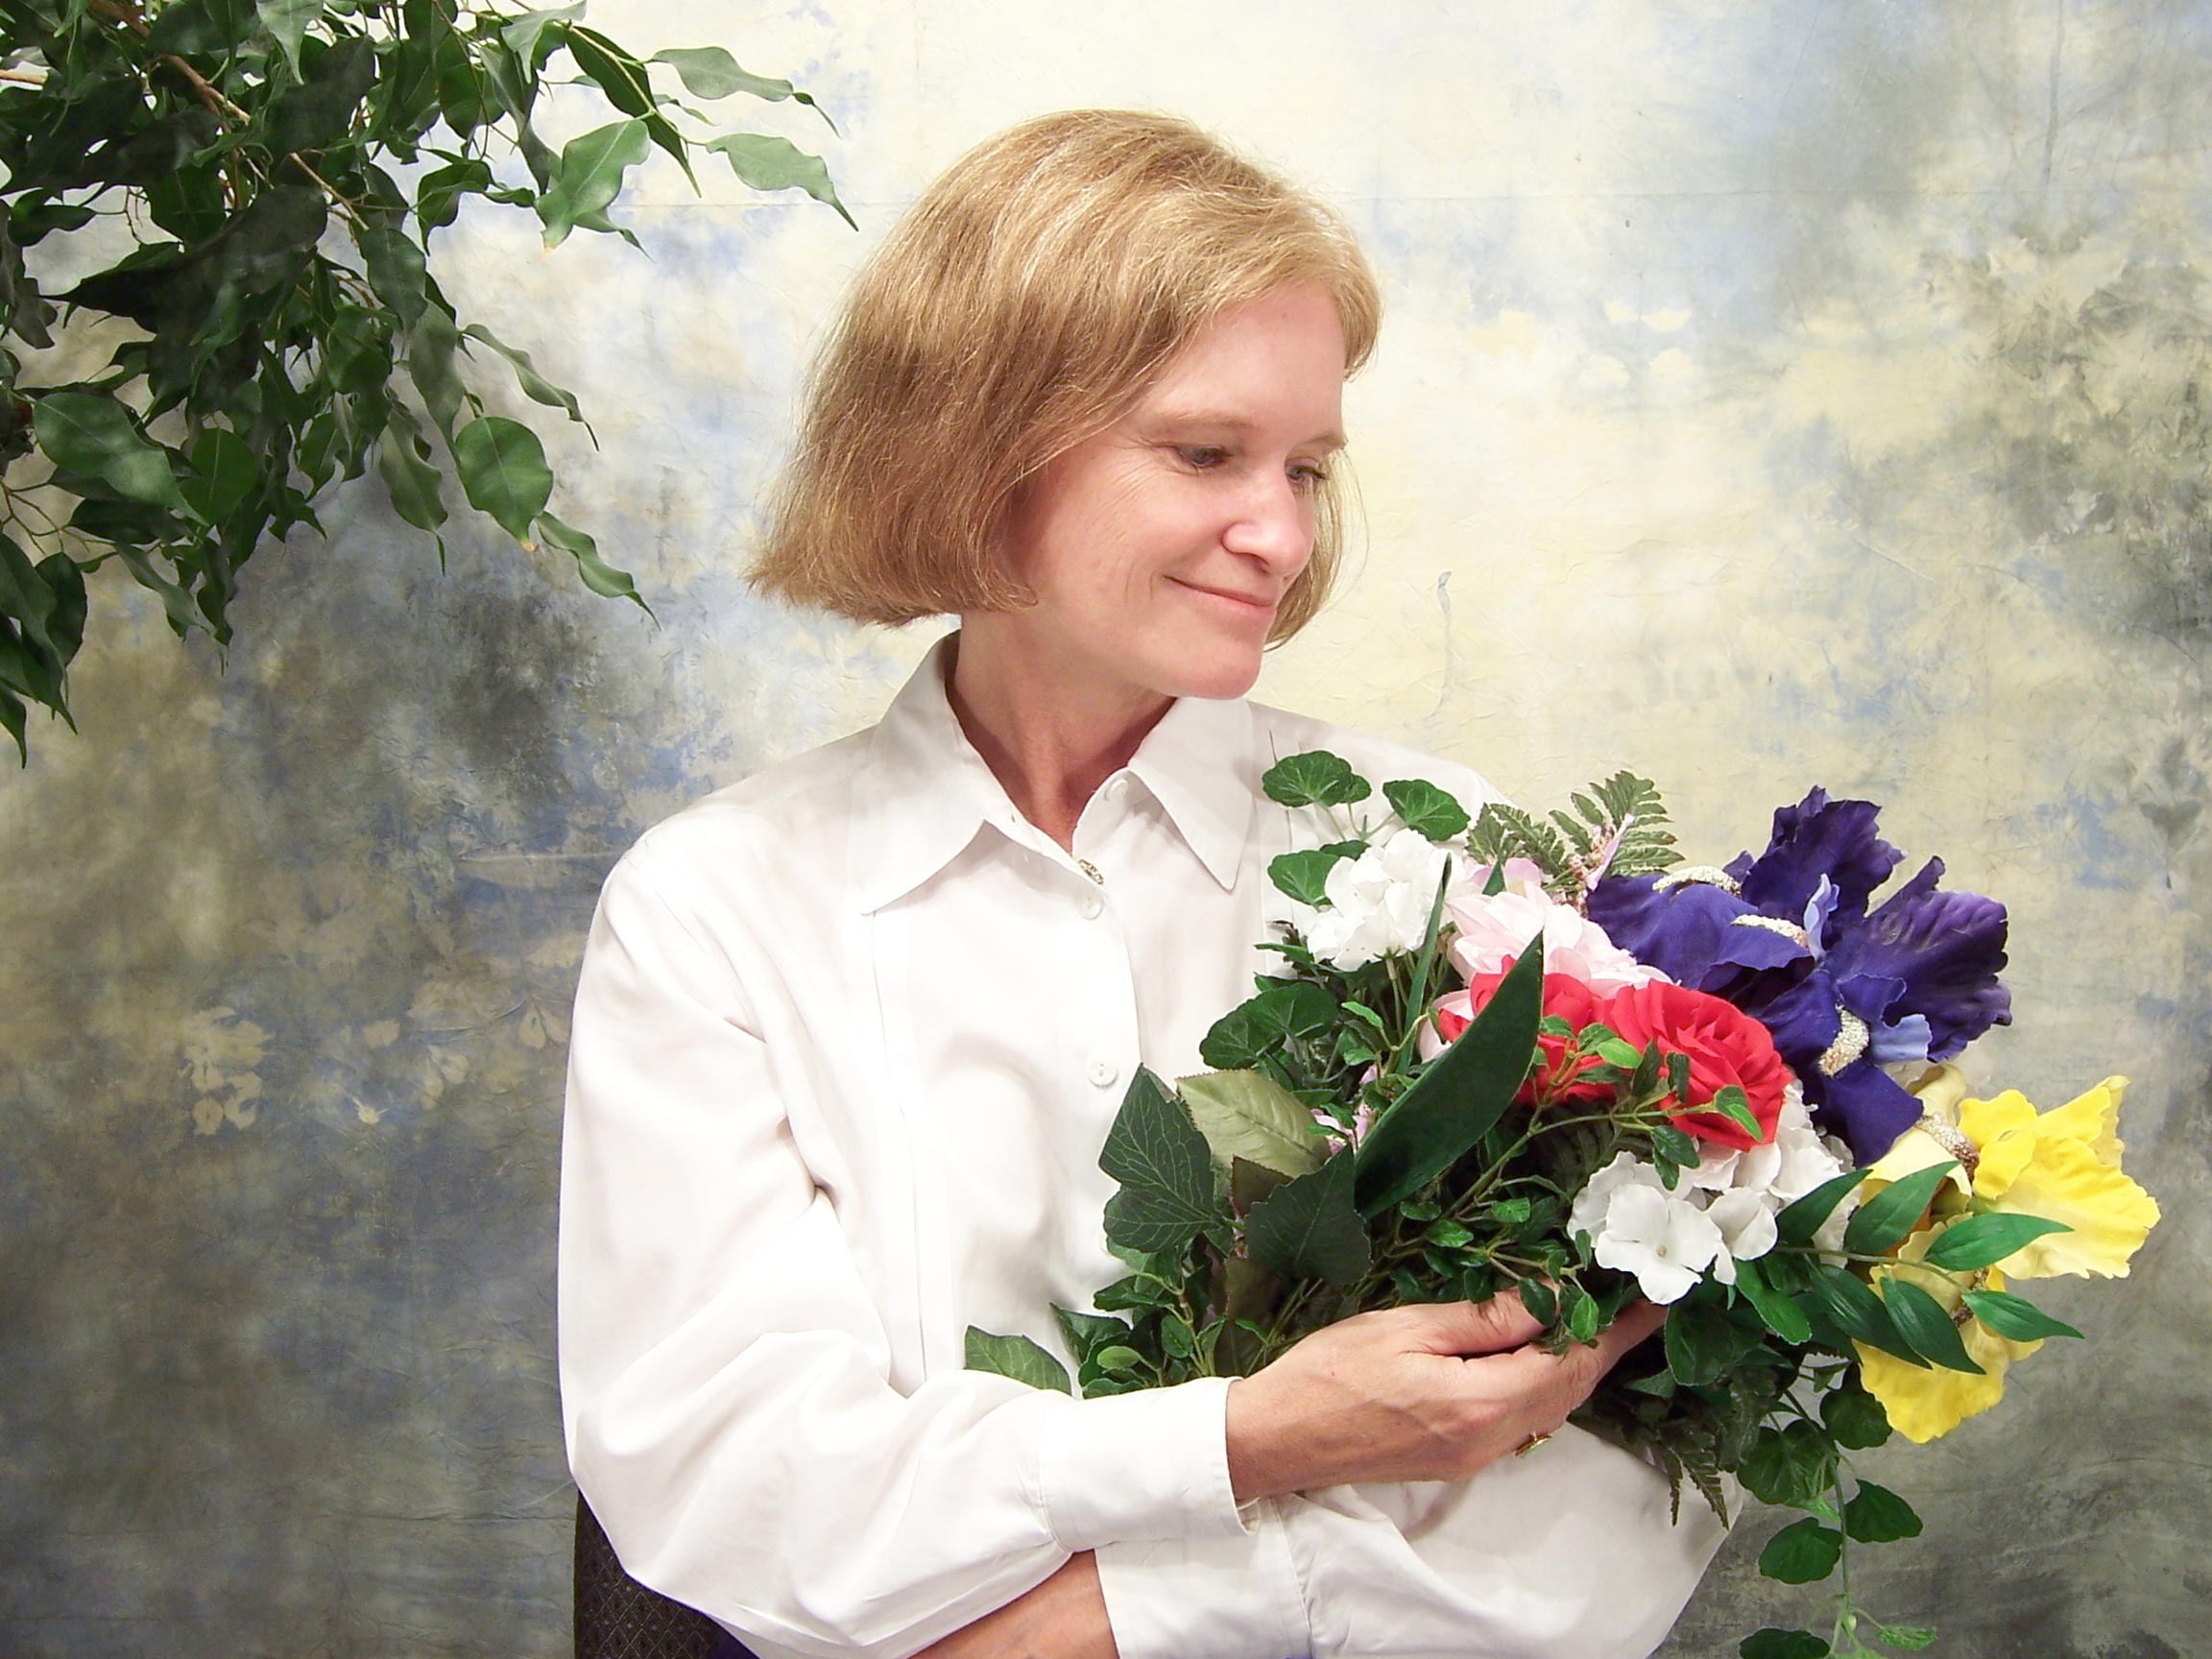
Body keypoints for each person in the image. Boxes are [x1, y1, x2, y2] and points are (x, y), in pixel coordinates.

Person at [558, 109, 1728, 1659]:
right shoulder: (716, 910)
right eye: (1205, 453)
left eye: (1307, 466)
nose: (1282, 533)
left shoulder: (1452, 859)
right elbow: (732, 1483)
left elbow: (1618, 1476)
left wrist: (1102, 1625)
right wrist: (1247, 1441)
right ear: (975, 444)